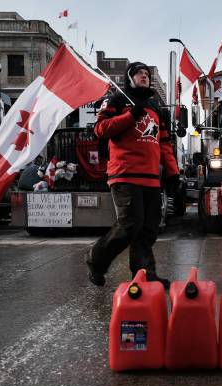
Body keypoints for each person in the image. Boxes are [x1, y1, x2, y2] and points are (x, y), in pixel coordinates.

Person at [85, 62, 179, 288]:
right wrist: (130, 116)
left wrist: (173, 173)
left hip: (151, 178)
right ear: (130, 77)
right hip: (125, 174)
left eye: (147, 74)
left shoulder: (156, 107)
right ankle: (96, 261)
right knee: (130, 225)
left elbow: (164, 144)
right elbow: (100, 130)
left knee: (148, 229)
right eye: (140, 73)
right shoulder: (118, 100)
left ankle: (145, 275)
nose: (144, 76)